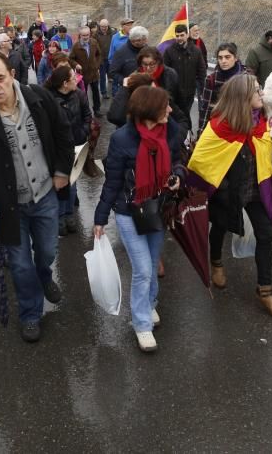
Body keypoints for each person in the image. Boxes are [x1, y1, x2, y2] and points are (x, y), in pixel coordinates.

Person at [0, 52, 73, 343]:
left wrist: (62, 170)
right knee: (20, 265)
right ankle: (30, 313)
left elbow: (63, 133)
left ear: (11, 74)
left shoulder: (38, 98)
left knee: (47, 252)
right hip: (9, 207)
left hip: (46, 195)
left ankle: (45, 275)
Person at [94, 86, 184, 352]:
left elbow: (179, 159)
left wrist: (177, 174)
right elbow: (112, 182)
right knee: (144, 270)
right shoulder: (122, 138)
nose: (169, 110)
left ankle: (150, 303)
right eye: (164, 106)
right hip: (128, 210)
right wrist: (100, 218)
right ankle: (141, 324)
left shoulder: (172, 130)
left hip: (158, 207)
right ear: (148, 111)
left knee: (153, 261)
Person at [188, 74, 272, 318]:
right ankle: (217, 262)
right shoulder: (220, 126)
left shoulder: (260, 120)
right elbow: (201, 161)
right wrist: (220, 190)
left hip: (255, 190)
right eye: (257, 91)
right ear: (242, 98)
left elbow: (265, 155)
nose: (262, 95)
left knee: (265, 235)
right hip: (226, 192)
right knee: (220, 226)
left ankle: (265, 291)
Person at [45, 64, 91, 236]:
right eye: (73, 77)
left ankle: (69, 213)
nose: (77, 79)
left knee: (72, 183)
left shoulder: (79, 95)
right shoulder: (48, 100)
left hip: (76, 145)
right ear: (65, 83)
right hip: (57, 150)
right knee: (59, 183)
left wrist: (83, 131)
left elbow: (87, 115)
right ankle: (59, 216)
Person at [162, 24, 207, 126]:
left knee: (185, 114)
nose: (179, 38)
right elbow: (165, 70)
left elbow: (201, 71)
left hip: (189, 91)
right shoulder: (169, 51)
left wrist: (202, 88)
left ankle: (185, 136)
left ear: (187, 35)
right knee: (174, 116)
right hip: (173, 92)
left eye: (182, 35)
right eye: (177, 36)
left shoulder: (196, 50)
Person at [200, 42, 247, 132]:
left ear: (236, 58)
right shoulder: (212, 79)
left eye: (227, 57)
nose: (223, 61)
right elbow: (205, 108)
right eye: (220, 58)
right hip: (219, 127)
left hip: (241, 127)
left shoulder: (246, 78)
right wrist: (201, 131)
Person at [69, 25, 102, 116]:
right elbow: (70, 59)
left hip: (94, 74)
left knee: (96, 92)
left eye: (87, 35)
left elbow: (99, 55)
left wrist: (97, 65)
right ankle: (86, 111)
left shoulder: (94, 42)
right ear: (80, 35)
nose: (86, 37)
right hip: (83, 75)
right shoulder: (76, 46)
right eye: (83, 35)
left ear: (90, 34)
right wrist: (76, 65)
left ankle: (97, 109)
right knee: (83, 94)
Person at [94, 19, 116, 99]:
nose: (104, 28)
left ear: (108, 25)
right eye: (102, 26)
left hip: (111, 58)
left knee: (114, 75)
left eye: (105, 26)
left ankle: (115, 92)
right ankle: (103, 92)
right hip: (101, 58)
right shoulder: (96, 34)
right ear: (99, 26)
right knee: (102, 76)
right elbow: (94, 46)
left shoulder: (113, 33)